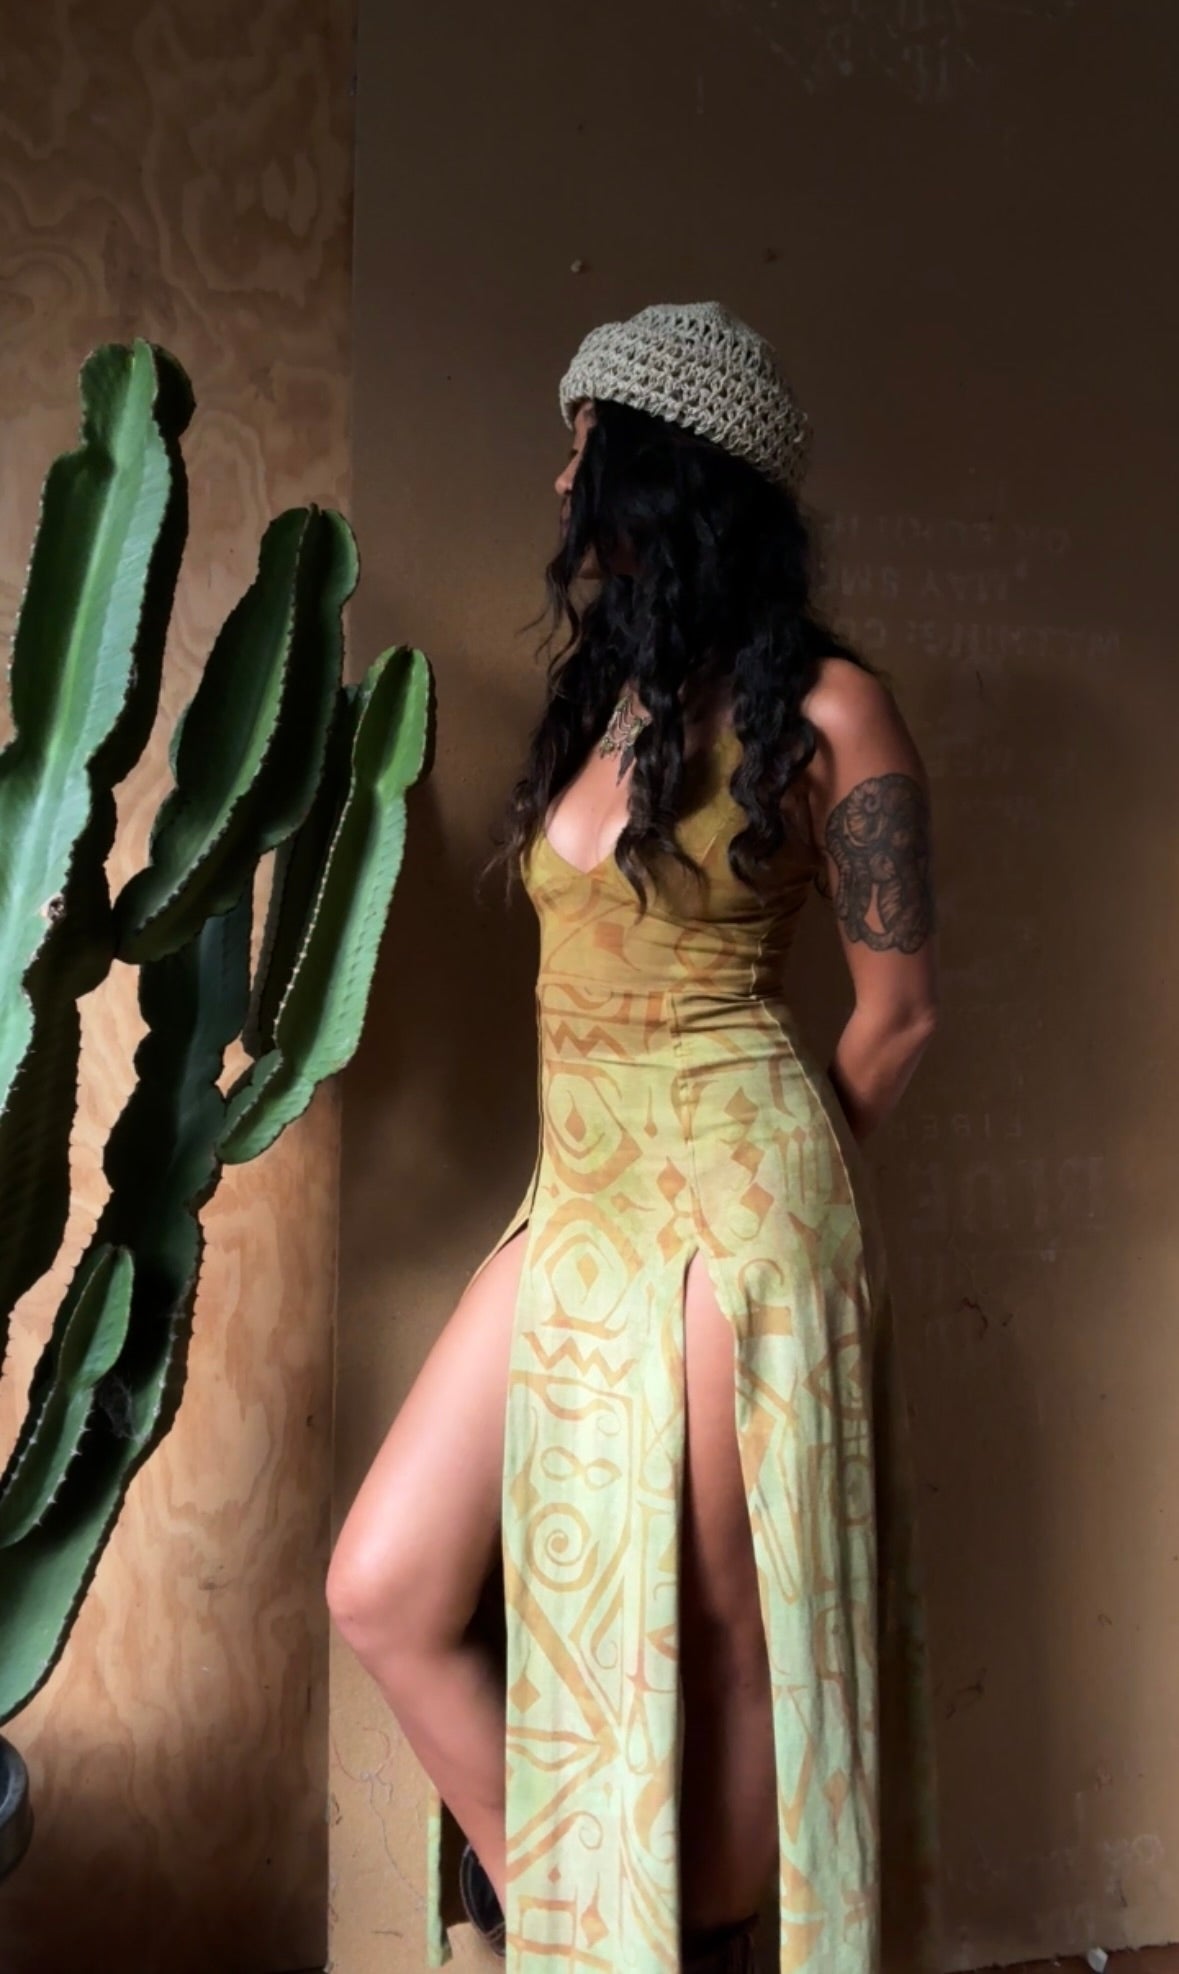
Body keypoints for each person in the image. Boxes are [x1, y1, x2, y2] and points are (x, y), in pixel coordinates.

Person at [328, 301, 939, 1973]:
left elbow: (898, 1016)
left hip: (739, 1215)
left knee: (732, 1626)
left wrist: (774, 1226)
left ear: (666, 474)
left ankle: (710, 1944)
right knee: (385, 1581)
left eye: (582, 448)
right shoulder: (611, 701)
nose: (557, 481)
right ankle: (584, 1924)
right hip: (576, 1201)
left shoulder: (836, 711)